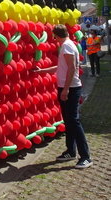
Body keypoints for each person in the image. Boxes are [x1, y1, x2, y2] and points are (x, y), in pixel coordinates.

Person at [33, 24, 92, 169]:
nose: (54, 40)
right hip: (66, 88)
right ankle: (70, 151)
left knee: (74, 121)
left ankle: (85, 156)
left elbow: (72, 68)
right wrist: (42, 71)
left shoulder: (66, 46)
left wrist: (65, 90)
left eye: (54, 37)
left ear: (56, 35)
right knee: (69, 121)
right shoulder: (68, 45)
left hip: (70, 89)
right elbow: (61, 67)